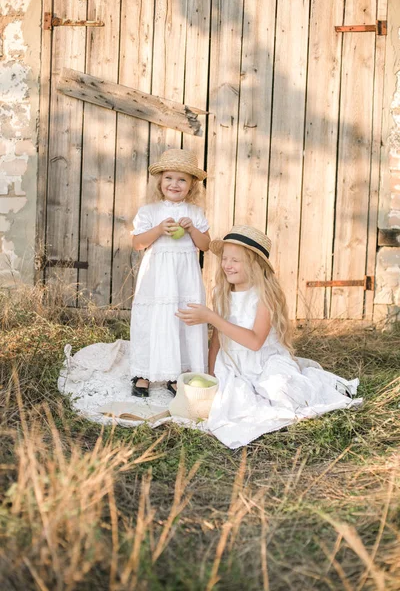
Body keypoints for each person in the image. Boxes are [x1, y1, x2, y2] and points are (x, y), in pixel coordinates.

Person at [176, 224, 360, 449]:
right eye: (225, 258)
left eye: (235, 260)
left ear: (254, 264)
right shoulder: (222, 293)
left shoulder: (264, 296)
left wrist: (212, 318)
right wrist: (211, 376)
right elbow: (216, 341)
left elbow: (254, 342)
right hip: (233, 362)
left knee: (279, 392)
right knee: (230, 401)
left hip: (264, 361)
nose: (227, 265)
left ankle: (310, 385)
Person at [130, 148, 210, 398]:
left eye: (182, 179)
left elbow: (205, 245)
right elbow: (138, 243)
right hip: (157, 278)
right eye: (169, 178)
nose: (174, 184)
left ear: (191, 186)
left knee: (181, 318)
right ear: (160, 181)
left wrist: (193, 229)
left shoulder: (195, 213)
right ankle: (144, 371)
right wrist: (158, 229)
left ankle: (178, 371)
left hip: (184, 278)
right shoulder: (150, 211)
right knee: (152, 319)